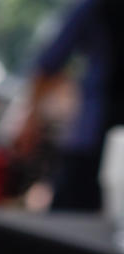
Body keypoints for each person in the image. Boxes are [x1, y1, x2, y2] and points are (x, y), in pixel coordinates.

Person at [17, 0, 124, 212]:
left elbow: (49, 64)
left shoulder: (93, 7)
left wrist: (30, 122)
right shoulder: (95, 8)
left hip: (92, 138)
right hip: (94, 134)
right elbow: (50, 65)